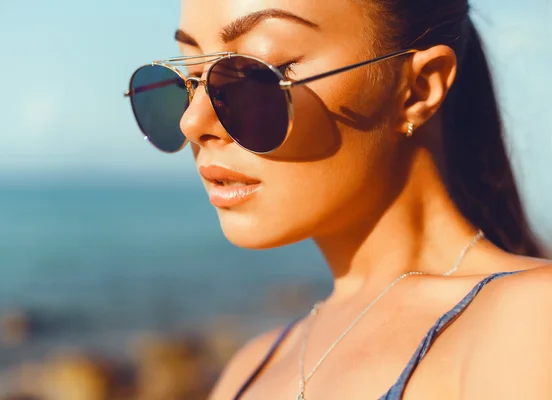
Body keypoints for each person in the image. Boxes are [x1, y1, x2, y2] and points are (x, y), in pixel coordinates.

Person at [124, 0, 551, 398]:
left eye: (255, 72)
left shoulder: (531, 321)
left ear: (419, 88)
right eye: (188, 79)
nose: (193, 120)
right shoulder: (250, 368)